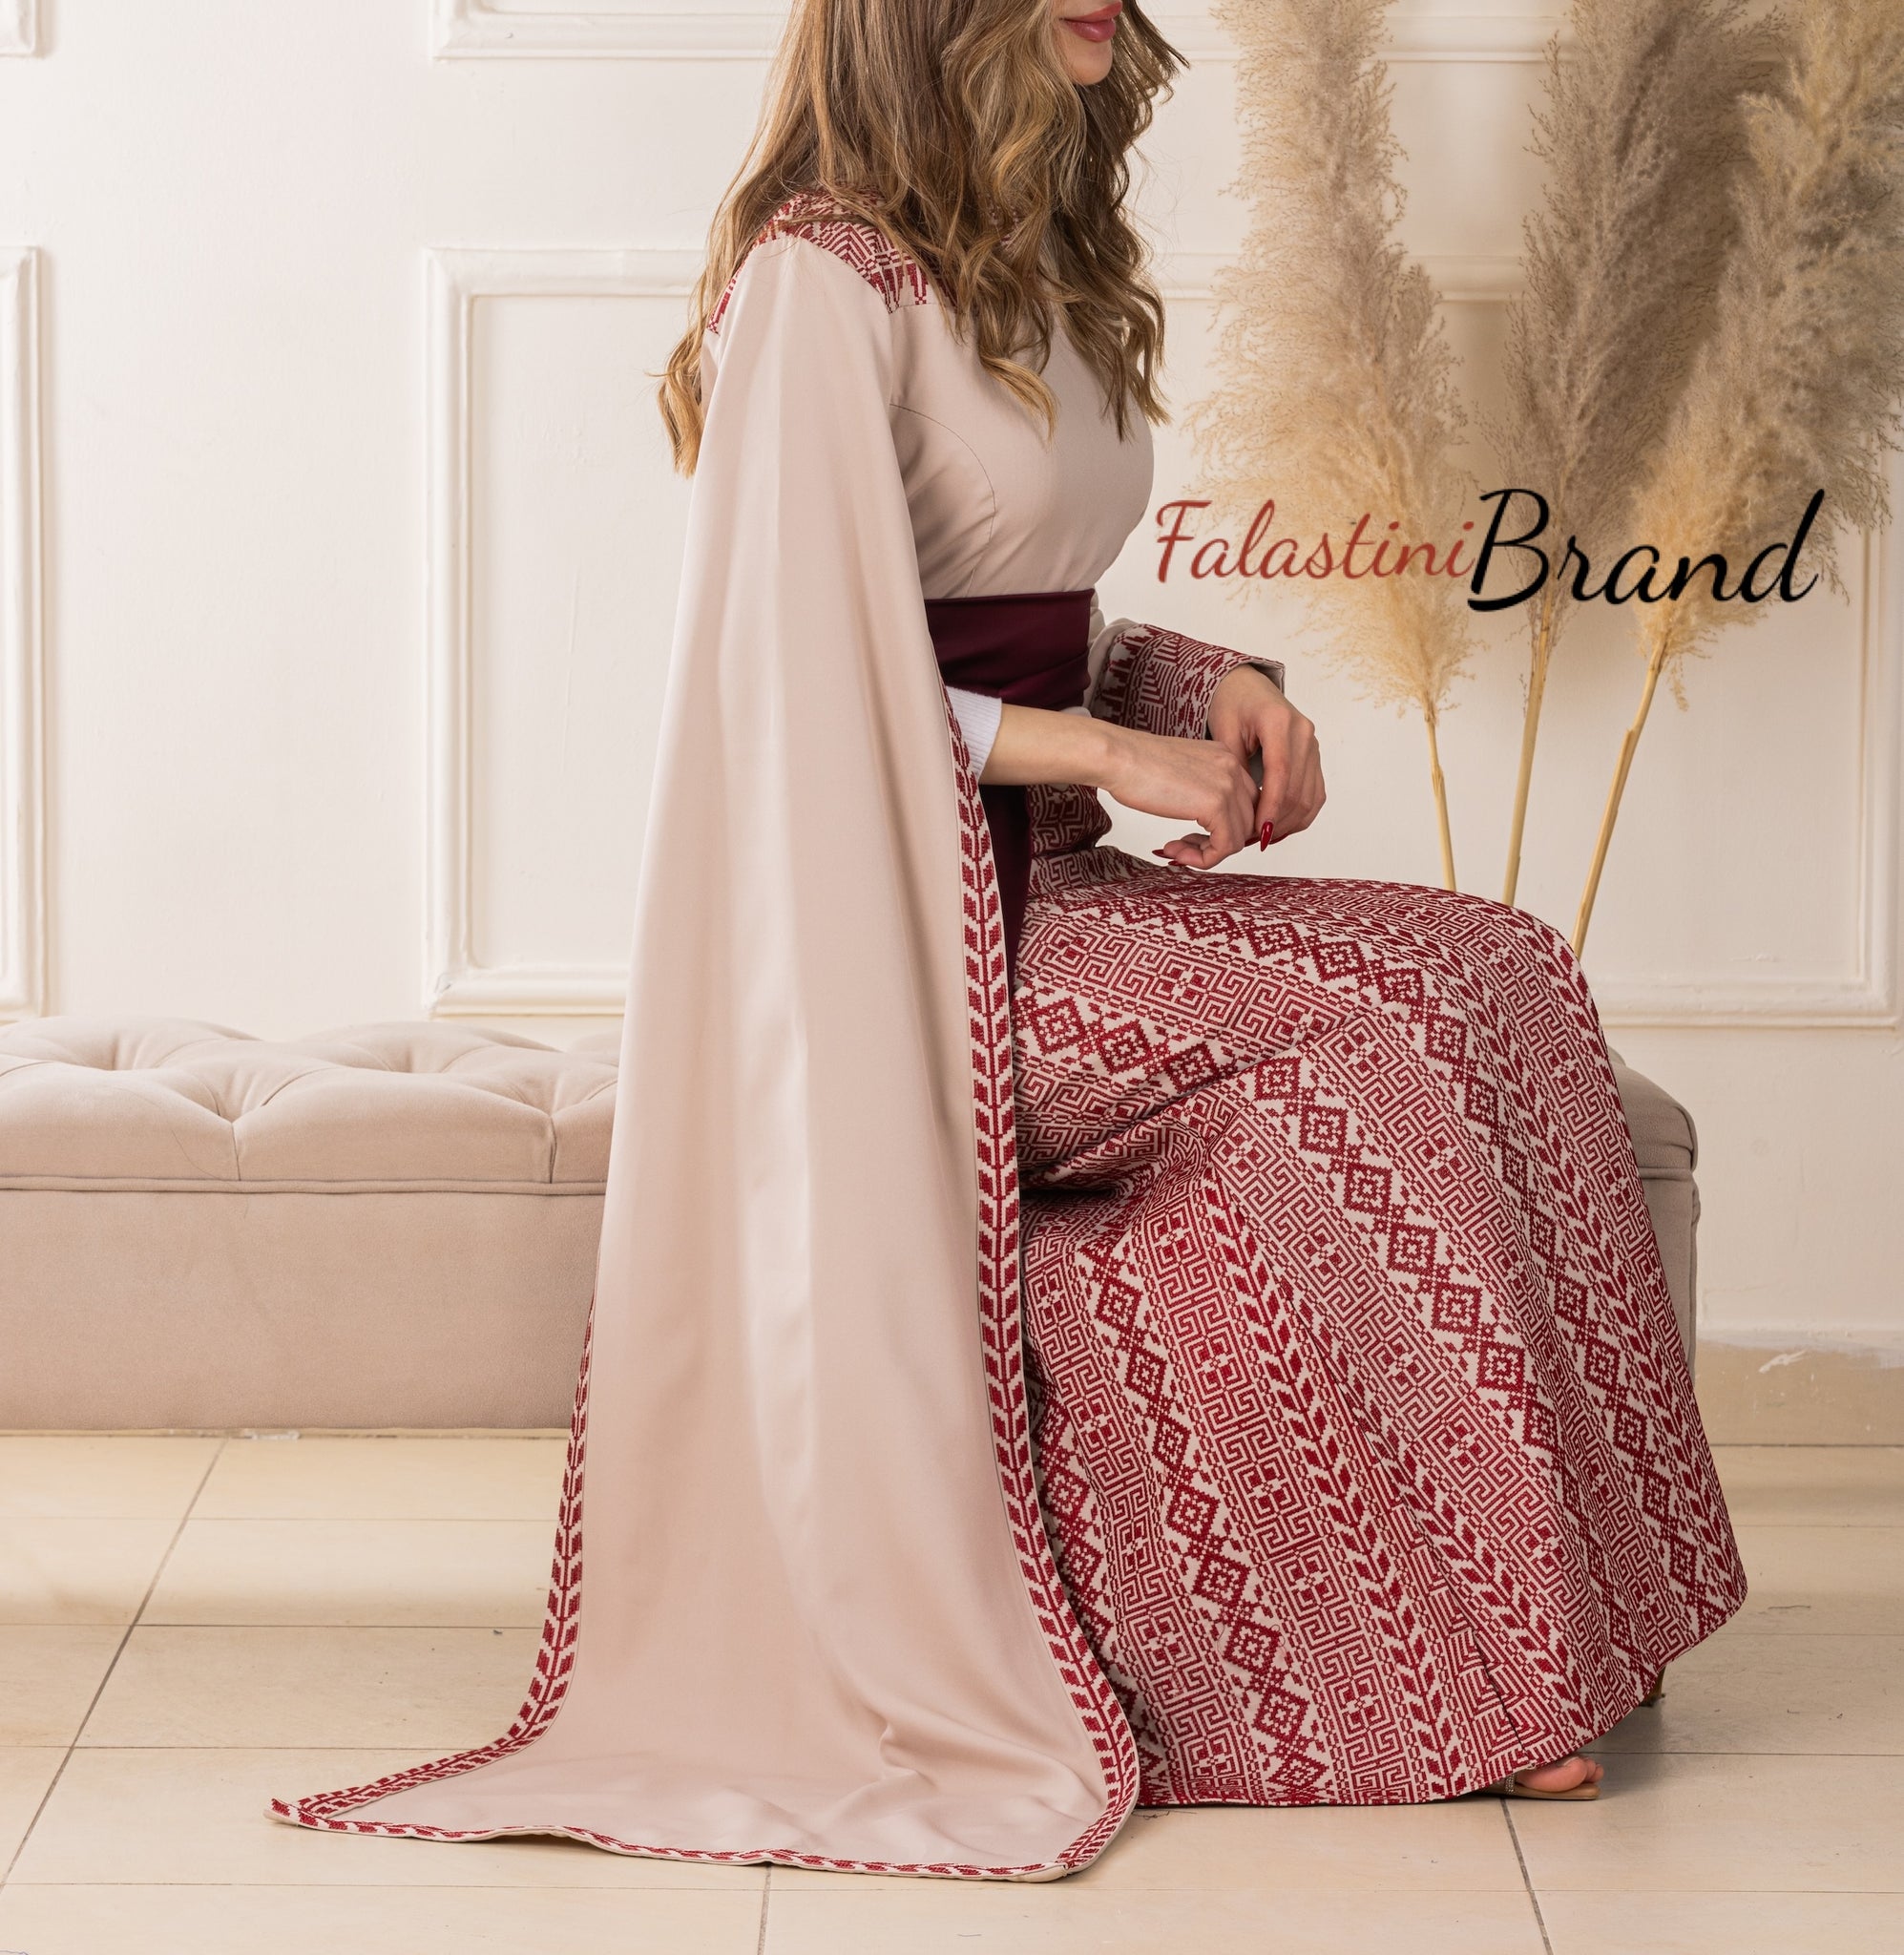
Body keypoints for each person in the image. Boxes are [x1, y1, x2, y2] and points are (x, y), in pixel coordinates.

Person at [272, 0, 1745, 1879]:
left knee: (1501, 964)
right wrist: (1112, 752)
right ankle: (1469, 1684)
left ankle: (1568, 1629)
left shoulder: (1031, 259)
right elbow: (802, 669)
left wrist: (1201, 685)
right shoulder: (816, 281)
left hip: (1060, 887)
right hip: (907, 945)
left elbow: (1028, 616)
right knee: (1376, 1028)